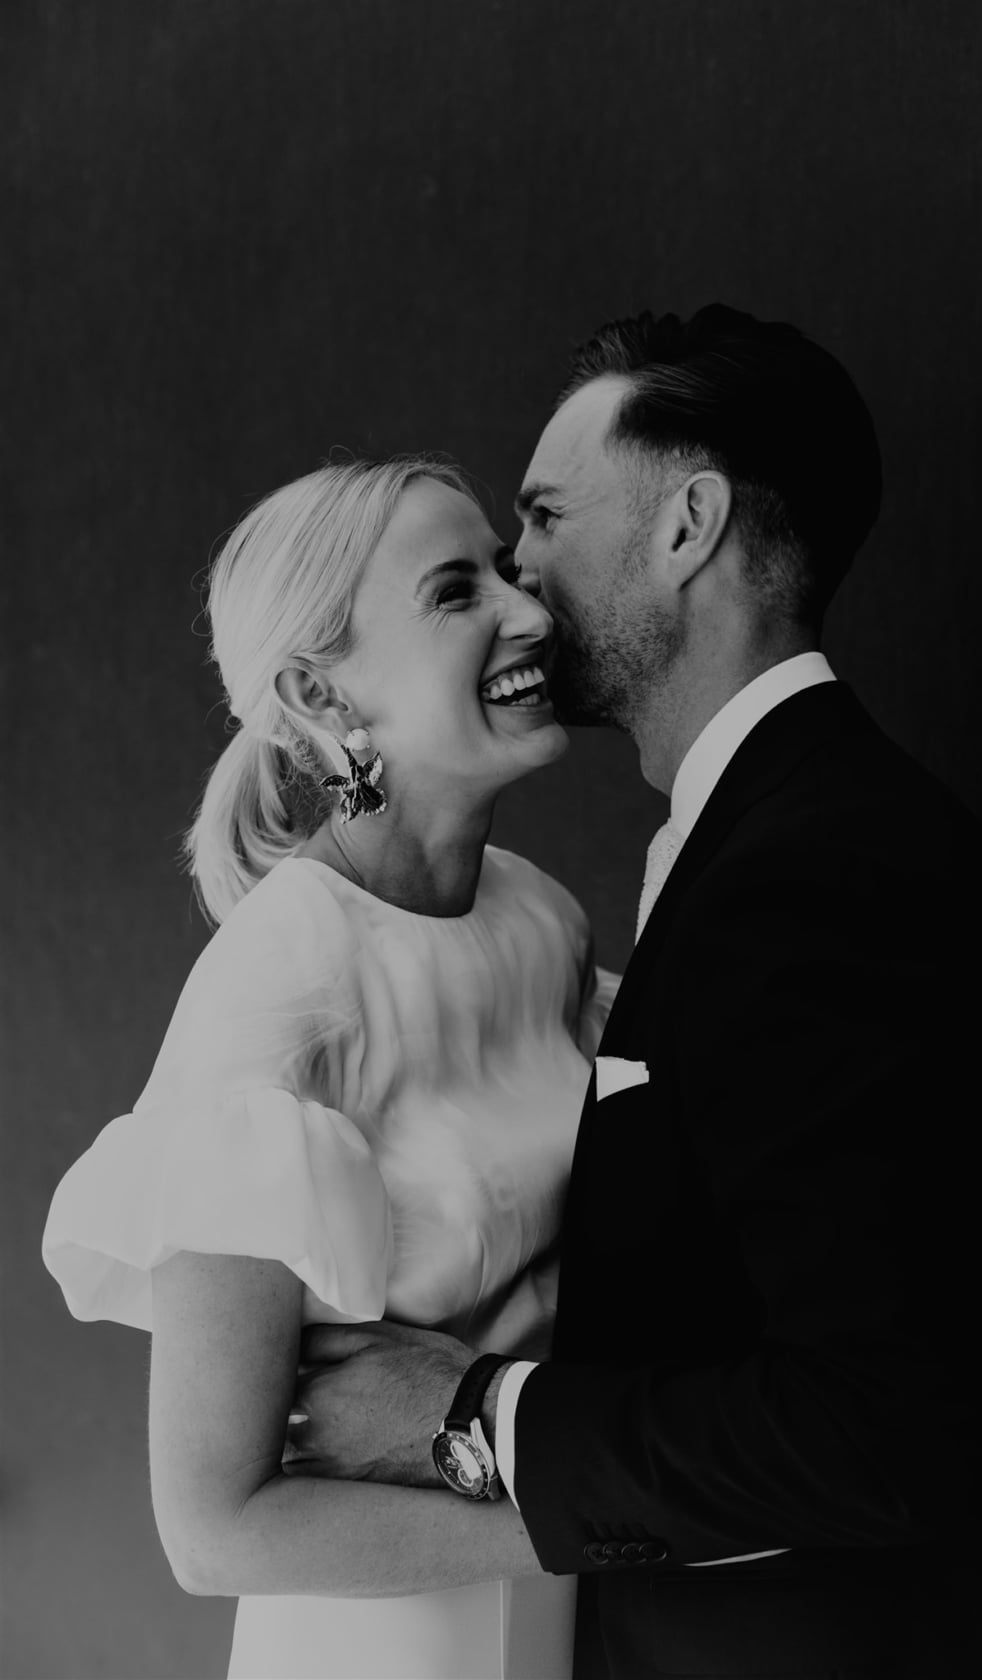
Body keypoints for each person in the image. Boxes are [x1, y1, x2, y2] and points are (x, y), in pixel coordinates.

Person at [282, 307, 982, 1679]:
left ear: (688, 527)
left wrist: (475, 1414)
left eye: (544, 516)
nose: (518, 570)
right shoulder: (788, 840)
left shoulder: (820, 872)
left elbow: (879, 1428)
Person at [42, 455, 618, 1680]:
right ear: (317, 690)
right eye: (455, 592)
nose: (527, 613)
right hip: (378, 1642)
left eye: (506, 571)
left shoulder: (541, 921)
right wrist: (606, 1523)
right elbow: (215, 1527)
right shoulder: (281, 987)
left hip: (563, 1624)